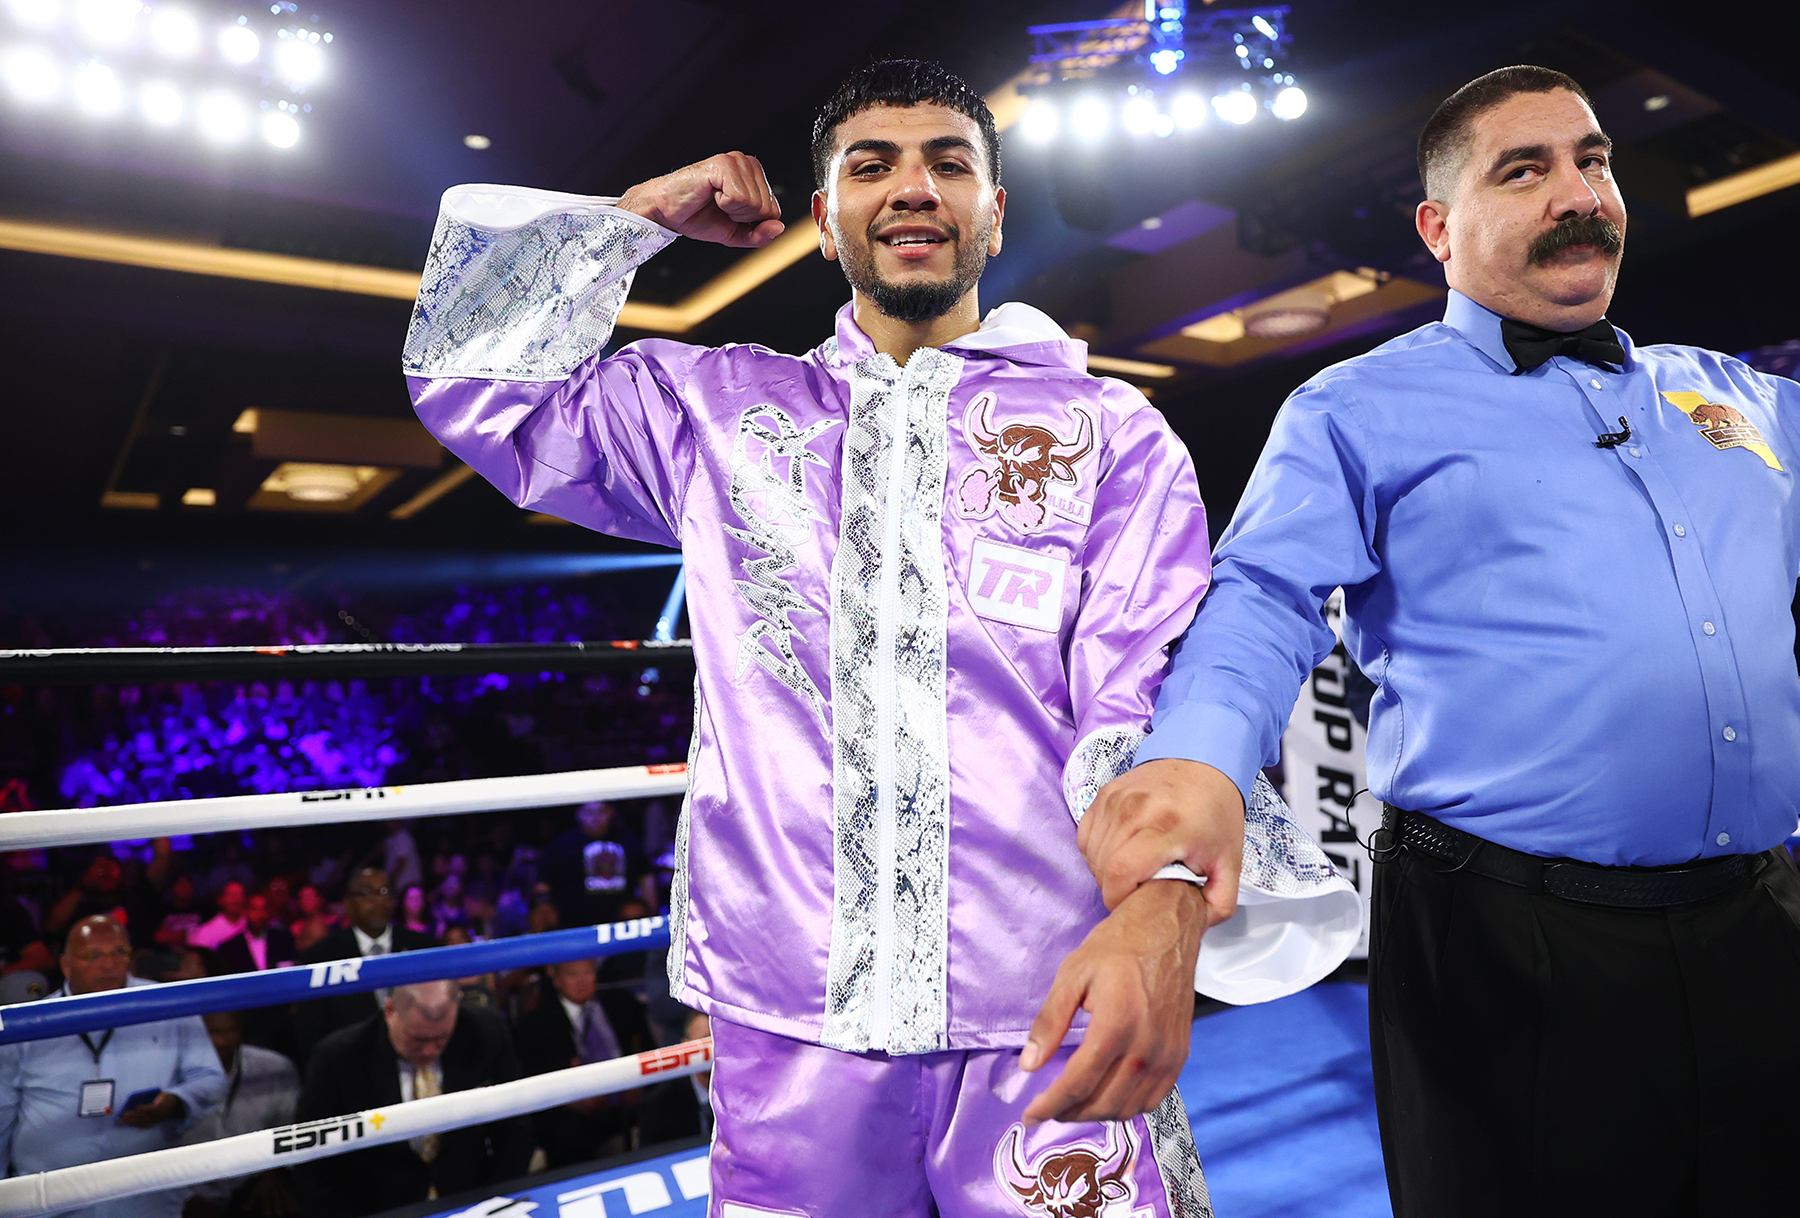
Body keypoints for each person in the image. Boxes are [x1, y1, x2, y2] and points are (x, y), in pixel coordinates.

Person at [405, 58, 1355, 1215]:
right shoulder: (714, 412)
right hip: (789, 1021)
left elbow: (1144, 692)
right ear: (824, 220)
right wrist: (635, 219)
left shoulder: (1108, 433)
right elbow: (477, 387)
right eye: (873, 166)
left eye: (949, 164)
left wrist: (1162, 900)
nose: (913, 188)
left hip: (1044, 1000)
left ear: (993, 213)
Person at [1082, 65, 1800, 1218]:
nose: (1580, 194)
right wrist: (1197, 766)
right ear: (1438, 228)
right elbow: (1262, 595)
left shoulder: (1744, 402)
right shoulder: (1354, 410)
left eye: (1595, 161)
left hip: (1763, 923)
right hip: (1508, 941)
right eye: (1525, 170)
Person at [0, 916, 226, 1218]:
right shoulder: (29, 1024)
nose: (108, 965)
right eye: (94, 955)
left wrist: (175, 1102)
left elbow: (210, 1077)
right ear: (66, 965)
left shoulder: (167, 1005)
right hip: (51, 1202)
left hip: (145, 1199)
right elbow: (2, 1114)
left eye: (119, 952)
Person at [293, 980, 532, 1217]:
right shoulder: (339, 1057)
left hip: (471, 1200)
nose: (429, 1050)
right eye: (418, 1039)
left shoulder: (484, 1031)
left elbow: (515, 1128)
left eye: (441, 1037)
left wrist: (496, 1202)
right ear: (390, 1011)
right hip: (380, 1209)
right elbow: (316, 1167)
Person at [293, 868, 436, 1061]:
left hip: (418, 1060)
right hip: (351, 1065)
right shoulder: (322, 956)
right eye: (367, 892)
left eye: (384, 892)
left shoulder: (424, 947)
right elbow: (311, 1031)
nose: (377, 900)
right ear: (348, 904)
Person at [178, 1010, 300, 1218]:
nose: (222, 1041)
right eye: (212, 1033)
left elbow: (290, 1130)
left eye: (231, 1031)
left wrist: (275, 1170)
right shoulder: (164, 1073)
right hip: (179, 1187)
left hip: (251, 1183)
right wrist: (182, 1197)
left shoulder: (275, 1068)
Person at [511, 957, 630, 1167]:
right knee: (566, 1133)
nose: (581, 981)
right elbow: (531, 1081)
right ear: (556, 979)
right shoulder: (534, 1026)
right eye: (572, 975)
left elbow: (645, 1048)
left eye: (587, 973)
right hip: (570, 1116)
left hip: (627, 1102)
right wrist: (568, 1096)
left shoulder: (623, 1003)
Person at [187, 880, 248, 952]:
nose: (235, 899)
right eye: (231, 895)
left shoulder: (251, 925)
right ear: (221, 899)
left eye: (239, 895)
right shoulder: (206, 932)